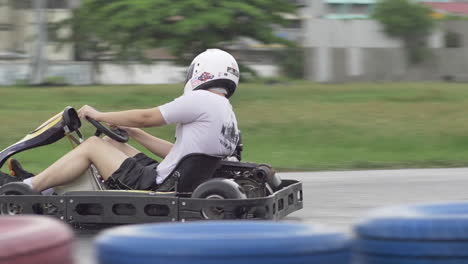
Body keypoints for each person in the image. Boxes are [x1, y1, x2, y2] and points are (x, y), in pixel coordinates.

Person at [0, 49, 240, 194]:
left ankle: (27, 187)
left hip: (158, 185)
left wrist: (99, 115)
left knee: (92, 147)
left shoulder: (201, 100)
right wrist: (133, 132)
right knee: (110, 142)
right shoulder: (225, 112)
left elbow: (147, 117)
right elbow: (181, 153)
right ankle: (46, 185)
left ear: (202, 72)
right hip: (173, 177)